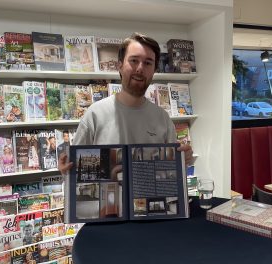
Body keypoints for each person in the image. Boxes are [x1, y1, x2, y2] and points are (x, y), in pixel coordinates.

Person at [58, 32, 193, 174]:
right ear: (120, 66)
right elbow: (75, 168)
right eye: (134, 60)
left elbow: (170, 173)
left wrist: (183, 159)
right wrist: (66, 169)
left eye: (148, 63)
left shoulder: (163, 119)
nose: (140, 68)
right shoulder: (95, 114)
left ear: (154, 70)